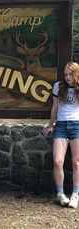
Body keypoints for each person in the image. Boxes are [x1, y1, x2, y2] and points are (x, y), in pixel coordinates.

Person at [42, 61, 79, 208]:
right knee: (58, 161)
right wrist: (51, 125)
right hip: (62, 126)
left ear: (76, 74)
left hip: (77, 125)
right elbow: (55, 107)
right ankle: (60, 194)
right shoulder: (58, 86)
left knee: (77, 163)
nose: (67, 77)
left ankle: (75, 194)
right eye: (65, 74)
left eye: (70, 74)